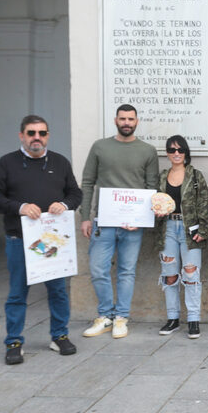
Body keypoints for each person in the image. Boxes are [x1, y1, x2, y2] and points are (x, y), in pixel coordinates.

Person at [0, 115, 83, 364]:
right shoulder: (7, 163)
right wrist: (20, 207)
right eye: (31, 133)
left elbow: (75, 193)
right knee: (18, 293)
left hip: (53, 241)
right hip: (20, 240)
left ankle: (59, 336)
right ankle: (14, 341)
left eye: (42, 133)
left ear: (48, 135)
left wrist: (64, 203)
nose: (36, 138)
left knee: (58, 291)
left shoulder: (59, 162)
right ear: (21, 136)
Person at [79, 104, 159, 339]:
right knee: (97, 269)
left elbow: (151, 188)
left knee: (126, 271)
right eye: (122, 118)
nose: (126, 122)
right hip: (103, 222)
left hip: (133, 225)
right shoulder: (100, 147)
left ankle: (121, 318)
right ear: (115, 120)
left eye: (130, 119)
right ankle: (105, 316)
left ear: (137, 121)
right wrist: (85, 217)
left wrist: (143, 220)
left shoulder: (147, 150)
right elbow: (87, 182)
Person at [152, 135, 208, 339]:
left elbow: (204, 204)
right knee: (169, 275)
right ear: (168, 153)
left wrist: (203, 231)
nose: (176, 153)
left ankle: (194, 319)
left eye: (180, 150)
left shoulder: (196, 176)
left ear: (186, 153)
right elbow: (155, 202)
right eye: (172, 150)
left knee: (191, 274)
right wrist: (156, 213)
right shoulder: (162, 176)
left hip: (190, 230)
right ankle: (173, 318)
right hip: (167, 228)